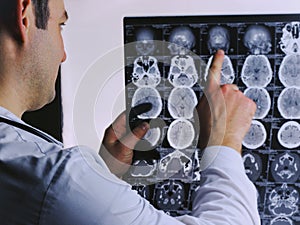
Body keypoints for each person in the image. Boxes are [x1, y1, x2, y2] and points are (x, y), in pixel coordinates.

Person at [0, 0, 260, 224]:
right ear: (25, 16)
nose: (63, 54)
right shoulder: (52, 179)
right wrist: (224, 141)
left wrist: (101, 182)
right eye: (60, 25)